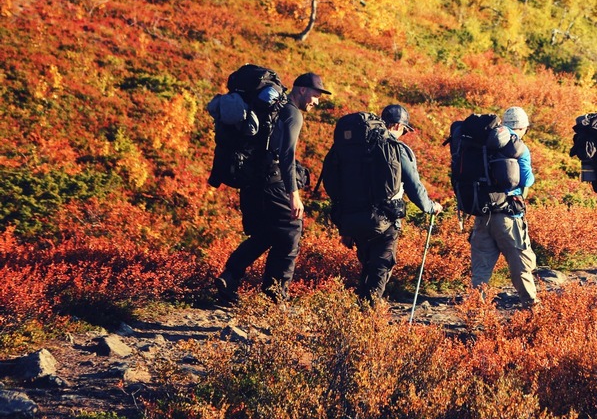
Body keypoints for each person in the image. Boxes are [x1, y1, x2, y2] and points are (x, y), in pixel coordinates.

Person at [216, 71, 330, 304]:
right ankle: (275, 297)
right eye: (315, 96)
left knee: (264, 234)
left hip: (250, 183)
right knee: (290, 233)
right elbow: (286, 156)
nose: (316, 102)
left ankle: (230, 277)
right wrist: (294, 195)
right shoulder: (291, 113)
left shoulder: (267, 108)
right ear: (301, 90)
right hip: (273, 183)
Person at [342, 104, 443, 305]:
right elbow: (413, 185)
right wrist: (431, 207)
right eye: (404, 130)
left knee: (367, 265)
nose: (403, 134)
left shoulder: (358, 146)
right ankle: (367, 318)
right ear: (397, 125)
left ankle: (356, 314)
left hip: (355, 217)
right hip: (385, 220)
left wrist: (344, 226)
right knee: (380, 267)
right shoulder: (395, 148)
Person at [468, 106, 539, 307]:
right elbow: (527, 180)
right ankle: (531, 306)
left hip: (482, 213)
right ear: (523, 127)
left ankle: (475, 312)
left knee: (481, 269)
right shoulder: (519, 148)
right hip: (509, 216)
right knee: (520, 264)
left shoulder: (484, 144)